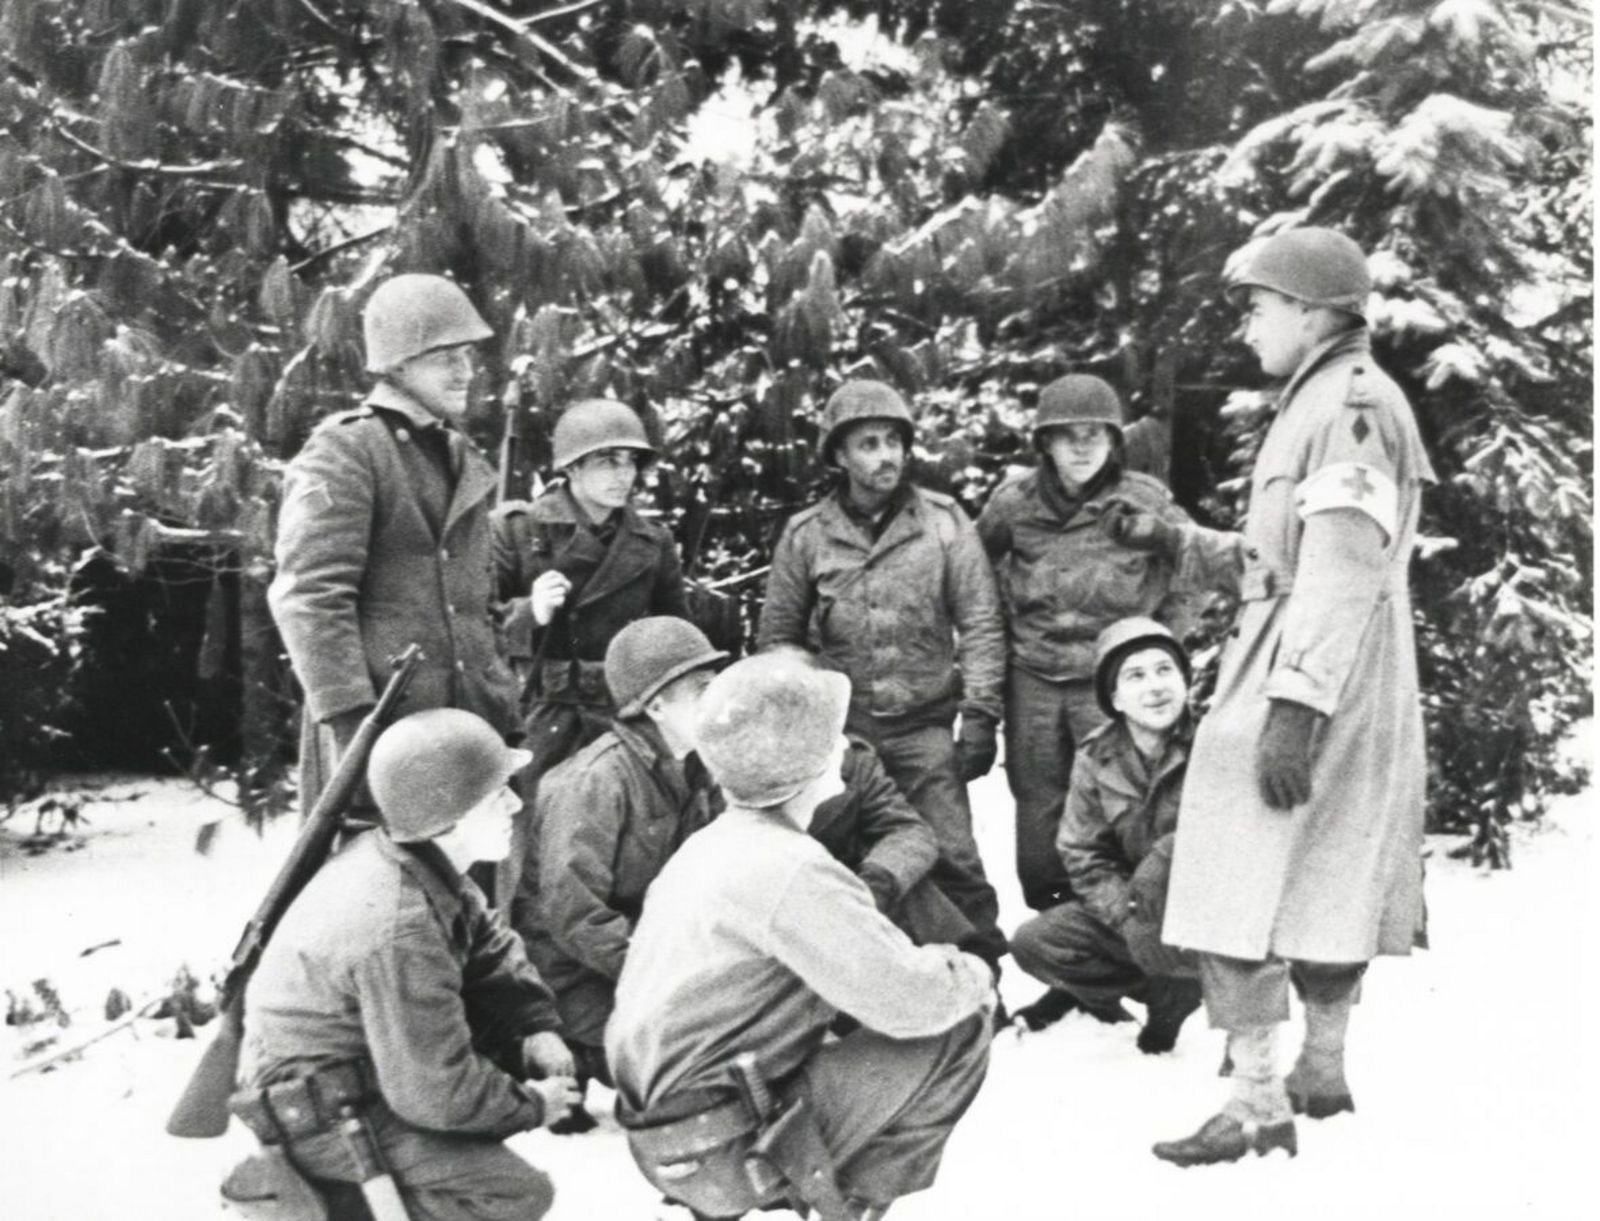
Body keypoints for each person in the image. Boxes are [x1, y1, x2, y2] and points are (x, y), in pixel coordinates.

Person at [1102, 228, 1436, 1165]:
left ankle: (1257, 1101)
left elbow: (1335, 567)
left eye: (1259, 306)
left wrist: (1296, 704)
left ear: (1312, 310)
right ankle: (1319, 1075)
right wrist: (1181, 540)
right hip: (1333, 656)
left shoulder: (1351, 405)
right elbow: (1281, 557)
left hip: (1317, 662)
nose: (1248, 325)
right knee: (1325, 865)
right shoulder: (1325, 400)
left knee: (1230, 858)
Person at [607, 653, 995, 1221]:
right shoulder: (790, 866)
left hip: (667, 1133)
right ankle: (847, 1207)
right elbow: (912, 1002)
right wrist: (969, 970)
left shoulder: (714, 845)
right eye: (833, 735)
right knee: (961, 1025)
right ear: (812, 761)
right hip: (718, 1142)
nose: (844, 746)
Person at [227, 708, 580, 1221]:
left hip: (353, 1075)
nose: (516, 803)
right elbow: (436, 1093)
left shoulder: (413, 860)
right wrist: (532, 1104)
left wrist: (533, 1026)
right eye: (496, 795)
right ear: (450, 817)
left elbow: (486, 941)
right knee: (513, 1192)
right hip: (319, 1114)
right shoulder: (402, 927)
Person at [758, 379, 1009, 972]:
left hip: (925, 725)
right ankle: (851, 977)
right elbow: (778, 643)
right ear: (839, 456)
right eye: (868, 443)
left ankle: (981, 973)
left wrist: (980, 715)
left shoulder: (944, 523)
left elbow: (980, 622)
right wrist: (805, 732)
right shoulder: (806, 536)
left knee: (952, 853)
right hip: (845, 735)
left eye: (895, 440)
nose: (886, 455)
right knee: (836, 854)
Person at [269, 274, 520, 818]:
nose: (464, 371)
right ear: (399, 363)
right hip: (382, 732)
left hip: (467, 726)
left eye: (467, 355)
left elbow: (482, 601)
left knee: (469, 890)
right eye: (443, 356)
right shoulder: (348, 448)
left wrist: (499, 691)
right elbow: (309, 598)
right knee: (378, 889)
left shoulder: (456, 456)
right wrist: (352, 722)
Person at [976, 374, 1200, 913]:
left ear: (1114, 441)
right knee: (1038, 811)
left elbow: (1193, 563)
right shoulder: (1013, 504)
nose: (1081, 447)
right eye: (1067, 434)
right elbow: (971, 574)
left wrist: (1158, 639)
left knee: (1118, 804)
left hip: (1111, 684)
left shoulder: (1144, 501)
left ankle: (1126, 931)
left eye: (1094, 434)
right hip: (1035, 679)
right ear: (1045, 444)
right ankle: (1058, 940)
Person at [512, 616, 726, 1130]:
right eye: (702, 691)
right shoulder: (596, 781)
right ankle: (576, 1059)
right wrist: (670, 976)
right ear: (655, 707)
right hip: (573, 974)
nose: (719, 704)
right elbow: (572, 918)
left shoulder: (695, 768)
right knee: (687, 1071)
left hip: (639, 960)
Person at [1008, 618, 1202, 1050]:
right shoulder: (1097, 755)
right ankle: (1162, 996)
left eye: (1165, 670)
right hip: (1140, 909)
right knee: (1036, 943)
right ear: (1114, 697)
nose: (1155, 687)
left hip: (1206, 913)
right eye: (1136, 675)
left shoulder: (1212, 740)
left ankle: (1198, 988)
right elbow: (1081, 850)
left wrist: (1165, 860)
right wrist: (1127, 916)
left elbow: (1230, 836)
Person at [493, 398, 689, 776]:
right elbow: (476, 628)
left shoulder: (651, 542)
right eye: (607, 461)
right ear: (572, 468)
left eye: (631, 461)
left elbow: (677, 636)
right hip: (540, 714)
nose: (624, 475)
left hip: (623, 717)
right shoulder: (519, 530)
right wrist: (529, 611)